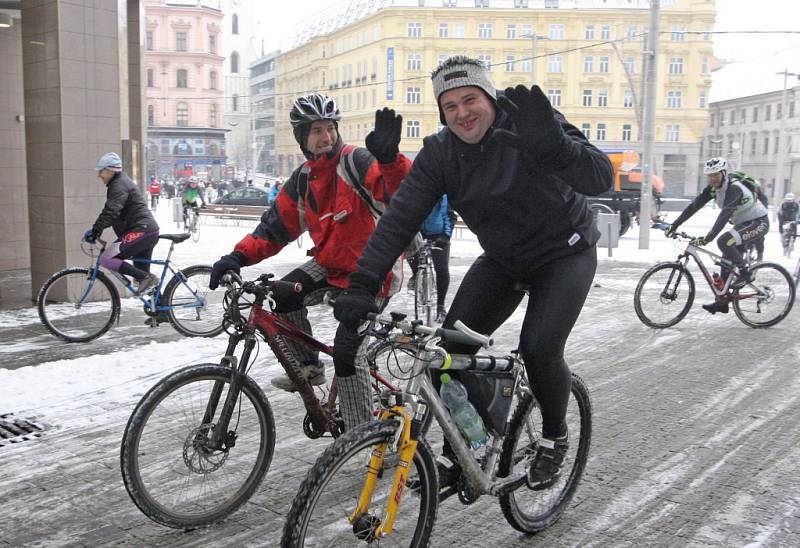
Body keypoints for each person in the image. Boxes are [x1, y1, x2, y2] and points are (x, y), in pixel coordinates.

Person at [333, 55, 613, 490]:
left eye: (470, 99)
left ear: (489, 97)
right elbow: (398, 220)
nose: (462, 113)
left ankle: (555, 437)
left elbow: (600, 178)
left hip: (565, 253)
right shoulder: (441, 153)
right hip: (504, 259)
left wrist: (554, 145)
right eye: (450, 106)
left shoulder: (529, 123)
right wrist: (363, 285)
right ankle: (466, 452)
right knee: (448, 356)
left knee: (538, 349)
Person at [208, 93, 412, 431]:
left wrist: (390, 161)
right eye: (317, 130)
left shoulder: (356, 162)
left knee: (348, 352)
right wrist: (236, 257)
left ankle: (362, 437)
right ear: (303, 138)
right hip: (331, 264)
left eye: (330, 128)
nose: (326, 137)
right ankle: (309, 367)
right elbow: (274, 229)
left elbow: (399, 195)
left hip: (373, 271)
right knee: (280, 294)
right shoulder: (304, 179)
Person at [665, 157, 769, 314]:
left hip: (758, 222)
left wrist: (708, 238)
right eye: (710, 175)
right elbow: (694, 206)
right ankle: (722, 302)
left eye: (716, 175)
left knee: (724, 241)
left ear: (724, 173)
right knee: (726, 260)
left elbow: (724, 215)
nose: (713, 178)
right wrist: (675, 224)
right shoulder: (713, 189)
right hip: (743, 225)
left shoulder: (734, 188)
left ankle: (745, 273)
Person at [84, 152, 160, 296]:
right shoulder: (120, 183)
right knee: (142, 277)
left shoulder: (118, 185)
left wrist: (96, 231)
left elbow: (111, 211)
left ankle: (148, 279)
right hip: (147, 231)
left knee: (107, 258)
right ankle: (160, 309)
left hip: (142, 230)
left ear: (109, 170)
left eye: (101, 171)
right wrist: (96, 229)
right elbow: (114, 214)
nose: (99, 175)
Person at [406, 195, 454, 322]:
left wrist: (445, 236)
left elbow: (449, 215)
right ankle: (416, 274)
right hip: (418, 231)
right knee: (409, 248)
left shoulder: (443, 195)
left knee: (442, 269)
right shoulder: (417, 190)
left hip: (438, 233)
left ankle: (441, 307)